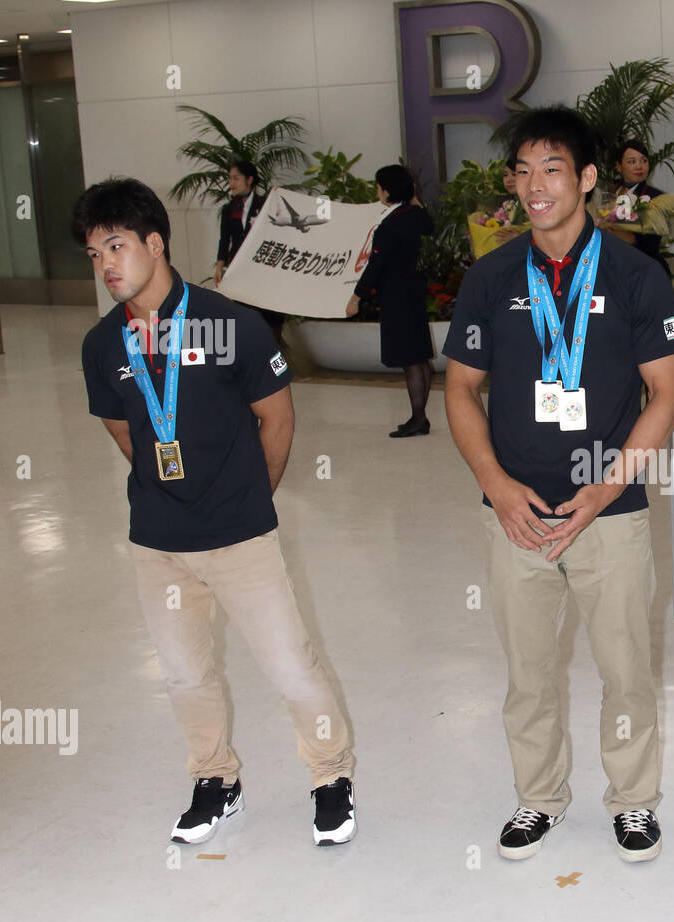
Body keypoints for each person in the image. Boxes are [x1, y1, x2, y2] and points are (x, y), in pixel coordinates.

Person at [75, 177, 356, 848]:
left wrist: (247, 498)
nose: (106, 264)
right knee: (184, 672)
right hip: (158, 540)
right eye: (93, 254)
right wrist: (166, 491)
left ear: (154, 241)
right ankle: (215, 780)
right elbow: (126, 432)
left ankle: (330, 776)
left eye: (116, 245)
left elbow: (277, 418)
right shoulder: (102, 345)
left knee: (291, 665)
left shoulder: (229, 322)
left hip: (239, 535)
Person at [443, 106, 674, 863]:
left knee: (625, 669)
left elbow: (667, 396)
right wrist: (497, 484)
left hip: (609, 511)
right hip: (515, 510)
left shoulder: (635, 275)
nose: (535, 185)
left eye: (553, 168)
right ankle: (539, 796)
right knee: (529, 672)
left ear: (587, 178)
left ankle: (634, 800)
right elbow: (460, 389)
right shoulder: (491, 276)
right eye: (523, 170)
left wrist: (606, 490)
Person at [347, 165, 435, 438]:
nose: (377, 191)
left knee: (410, 359)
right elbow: (429, 225)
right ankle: (419, 416)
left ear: (387, 190)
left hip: (396, 295)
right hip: (414, 291)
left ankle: (419, 418)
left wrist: (356, 296)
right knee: (419, 357)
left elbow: (376, 264)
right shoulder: (416, 216)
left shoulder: (390, 224)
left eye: (379, 186)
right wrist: (415, 199)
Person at [214, 159, 286, 350]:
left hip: (263, 269)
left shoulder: (265, 204)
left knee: (269, 313)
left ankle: (274, 351)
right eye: (230, 178)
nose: (231, 183)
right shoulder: (229, 209)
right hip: (241, 269)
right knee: (244, 311)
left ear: (250, 179)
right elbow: (224, 239)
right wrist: (220, 265)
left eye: (236, 178)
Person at [597, 139, 670, 280]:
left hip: (643, 270)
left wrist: (611, 229)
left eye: (643, 161)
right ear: (619, 166)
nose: (639, 166)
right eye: (631, 161)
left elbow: (651, 243)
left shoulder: (656, 197)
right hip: (610, 269)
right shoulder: (607, 193)